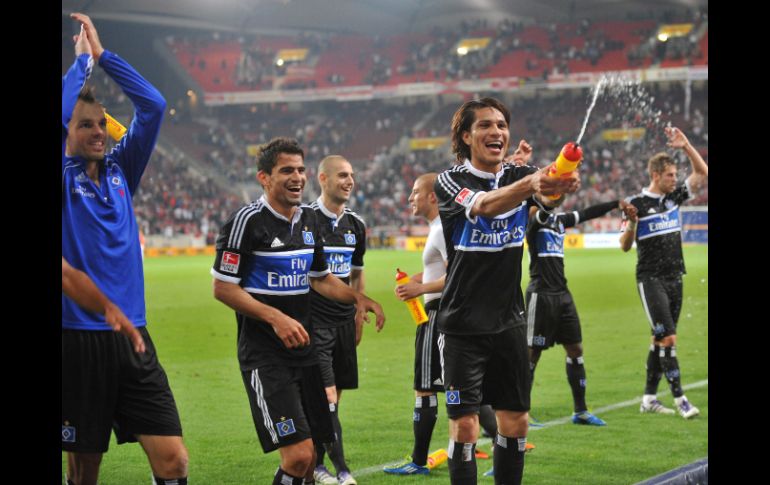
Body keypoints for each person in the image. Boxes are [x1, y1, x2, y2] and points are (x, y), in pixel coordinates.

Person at [211, 137, 385, 485]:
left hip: (304, 353)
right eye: (287, 170)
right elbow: (223, 287)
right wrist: (275, 317)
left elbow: (320, 278)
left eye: (301, 170)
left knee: (309, 460)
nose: (297, 177)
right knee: (298, 455)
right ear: (264, 178)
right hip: (265, 355)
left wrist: (357, 298)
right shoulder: (247, 221)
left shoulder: (308, 219)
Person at [62, 13, 189, 485]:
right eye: (85, 125)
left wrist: (103, 57)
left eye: (102, 124)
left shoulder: (120, 172)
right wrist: (80, 67)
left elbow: (153, 105)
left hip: (134, 333)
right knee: (85, 469)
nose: (99, 131)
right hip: (77, 336)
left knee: (174, 460)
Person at [433, 97, 579, 485]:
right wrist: (532, 183)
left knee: (516, 422)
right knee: (465, 427)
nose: (496, 131)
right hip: (462, 326)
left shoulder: (521, 173)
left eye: (501, 125)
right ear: (466, 136)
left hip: (509, 322)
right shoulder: (449, 180)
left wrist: (559, 184)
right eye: (485, 125)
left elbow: (547, 198)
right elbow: (484, 206)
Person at [620, 126, 708, 419]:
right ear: (656, 175)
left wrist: (686, 146)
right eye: (670, 175)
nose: (675, 179)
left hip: (675, 278)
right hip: (650, 280)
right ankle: (681, 399)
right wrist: (633, 223)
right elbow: (624, 246)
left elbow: (702, 173)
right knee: (668, 339)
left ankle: (648, 399)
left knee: (659, 339)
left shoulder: (673, 198)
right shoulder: (635, 204)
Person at [526, 199, 637, 426]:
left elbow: (586, 213)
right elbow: (542, 213)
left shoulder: (559, 220)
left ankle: (581, 411)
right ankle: (521, 411)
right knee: (531, 353)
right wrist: (554, 195)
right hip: (541, 294)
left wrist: (615, 204)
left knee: (575, 349)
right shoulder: (532, 223)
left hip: (562, 294)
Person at [308, 155, 368, 485]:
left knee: (333, 400)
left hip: (344, 323)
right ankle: (343, 470)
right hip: (315, 323)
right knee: (327, 397)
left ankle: (315, 465)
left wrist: (358, 312)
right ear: (323, 179)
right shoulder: (305, 220)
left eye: (351, 175)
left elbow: (357, 273)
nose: (349, 181)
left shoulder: (356, 225)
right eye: (342, 175)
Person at [62, 257, 145, 354]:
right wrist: (107, 307)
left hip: (129, 323)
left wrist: (108, 307)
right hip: (75, 326)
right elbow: (65, 276)